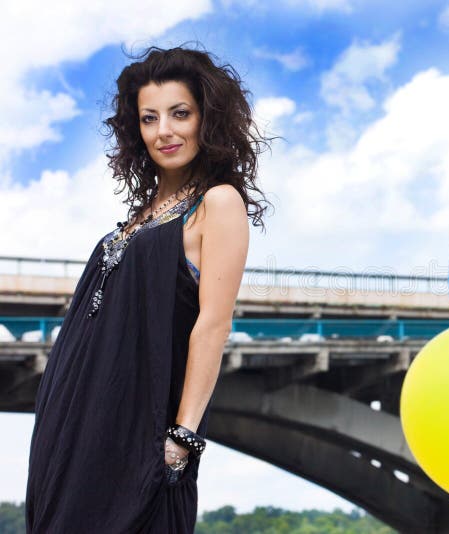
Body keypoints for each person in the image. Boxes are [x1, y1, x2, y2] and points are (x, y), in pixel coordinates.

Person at [25, 44, 273, 533]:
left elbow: (212, 325)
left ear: (208, 118)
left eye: (180, 114)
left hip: (137, 431)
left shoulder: (217, 205)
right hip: (72, 427)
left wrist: (182, 436)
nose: (165, 131)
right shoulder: (137, 218)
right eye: (149, 118)